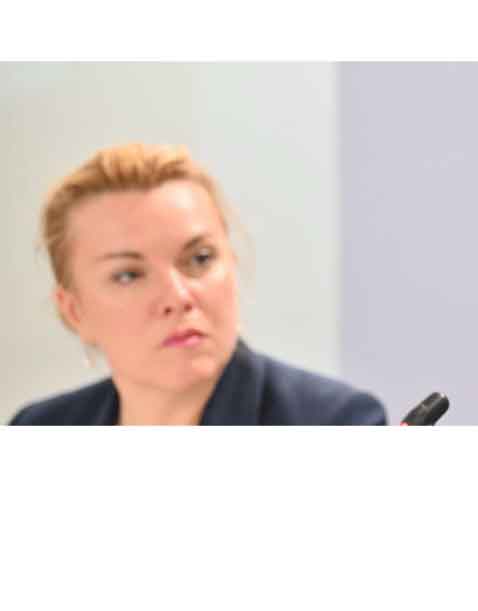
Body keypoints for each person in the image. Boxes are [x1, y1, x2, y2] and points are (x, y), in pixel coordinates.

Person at [11, 143, 387, 425]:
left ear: (232, 263)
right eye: (129, 275)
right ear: (75, 311)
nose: (178, 297)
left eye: (200, 259)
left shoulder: (336, 423)